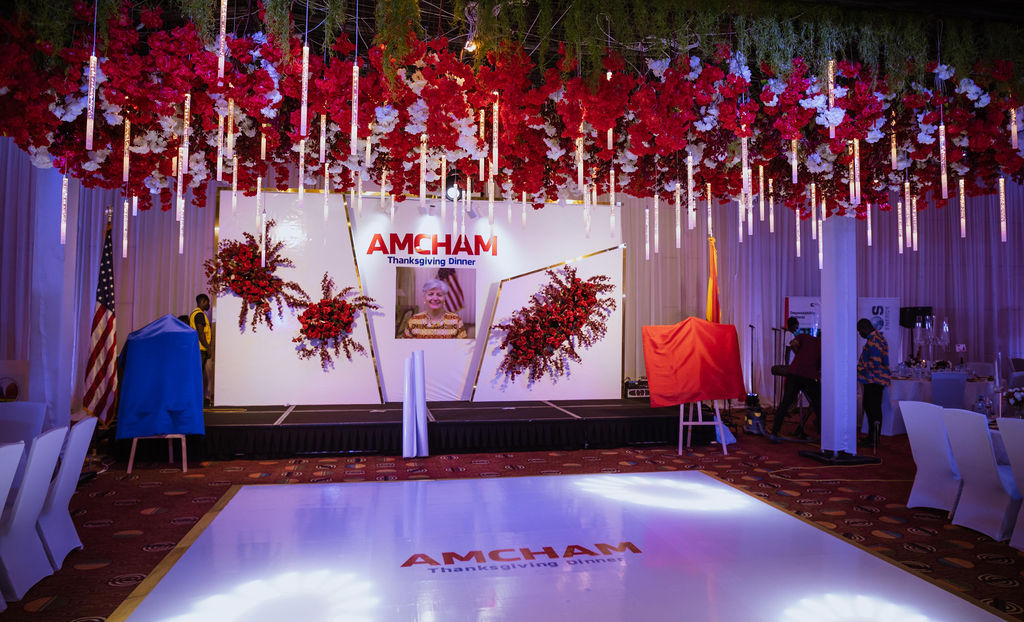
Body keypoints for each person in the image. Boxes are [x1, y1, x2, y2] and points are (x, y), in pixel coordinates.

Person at [770, 317, 821, 442]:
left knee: (785, 402)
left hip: (794, 373)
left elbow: (793, 344)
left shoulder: (804, 336)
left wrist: (799, 355)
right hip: (808, 376)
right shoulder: (823, 347)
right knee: (818, 402)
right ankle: (821, 430)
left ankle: (774, 432)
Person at [857, 318, 891, 447]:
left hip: (875, 380)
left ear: (864, 328)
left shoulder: (874, 340)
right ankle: (872, 437)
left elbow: (876, 362)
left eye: (860, 331)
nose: (860, 334)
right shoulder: (877, 338)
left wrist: (860, 368)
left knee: (873, 409)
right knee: (870, 407)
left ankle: (874, 439)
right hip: (873, 379)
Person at [401, 279, 467, 339]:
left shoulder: (456, 320)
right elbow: (405, 346)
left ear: (444, 299)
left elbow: (463, 347)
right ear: (424, 298)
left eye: (439, 295)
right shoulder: (414, 320)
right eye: (430, 294)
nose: (435, 298)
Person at [189, 294, 213, 406]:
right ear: (203, 301)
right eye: (207, 302)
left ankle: (197, 399)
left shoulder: (195, 313)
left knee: (198, 374)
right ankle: (197, 400)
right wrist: (208, 347)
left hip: (198, 348)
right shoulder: (199, 314)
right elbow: (201, 332)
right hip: (200, 349)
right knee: (199, 375)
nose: (209, 305)